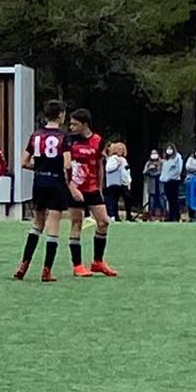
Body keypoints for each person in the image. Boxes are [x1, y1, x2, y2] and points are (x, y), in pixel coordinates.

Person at [14, 99, 74, 282]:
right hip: (56, 182)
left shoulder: (36, 136)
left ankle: (24, 264)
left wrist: (39, 168)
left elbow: (23, 162)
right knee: (54, 223)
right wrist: (69, 184)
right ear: (61, 115)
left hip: (39, 182)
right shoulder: (63, 137)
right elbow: (67, 165)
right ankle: (47, 270)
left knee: (37, 223)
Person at [65, 109, 117, 277]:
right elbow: (64, 166)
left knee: (103, 222)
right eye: (70, 124)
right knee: (76, 224)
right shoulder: (68, 141)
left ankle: (98, 261)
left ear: (85, 124)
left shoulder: (98, 141)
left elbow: (99, 164)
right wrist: (70, 187)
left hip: (92, 188)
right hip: (75, 189)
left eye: (75, 124)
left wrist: (100, 187)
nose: (71, 127)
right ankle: (77, 265)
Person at [103, 141, 131, 222]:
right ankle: (115, 216)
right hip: (114, 182)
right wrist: (116, 165)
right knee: (114, 199)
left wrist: (129, 181)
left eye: (122, 149)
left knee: (127, 197)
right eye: (119, 149)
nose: (120, 150)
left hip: (123, 182)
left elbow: (126, 170)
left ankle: (128, 216)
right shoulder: (112, 158)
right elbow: (108, 168)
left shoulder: (123, 160)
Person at [160, 144, 184, 223]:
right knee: (169, 199)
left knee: (174, 199)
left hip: (174, 180)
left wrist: (172, 177)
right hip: (166, 181)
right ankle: (170, 216)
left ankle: (176, 216)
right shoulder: (166, 159)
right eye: (167, 148)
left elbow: (178, 169)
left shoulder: (177, 157)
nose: (169, 150)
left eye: (170, 148)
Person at [143, 150, 165, 220]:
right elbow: (144, 172)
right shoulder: (148, 163)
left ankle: (163, 214)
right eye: (152, 153)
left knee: (161, 198)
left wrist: (153, 173)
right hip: (151, 184)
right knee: (151, 198)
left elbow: (161, 172)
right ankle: (150, 214)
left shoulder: (162, 162)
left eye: (155, 153)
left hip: (160, 183)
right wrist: (149, 169)